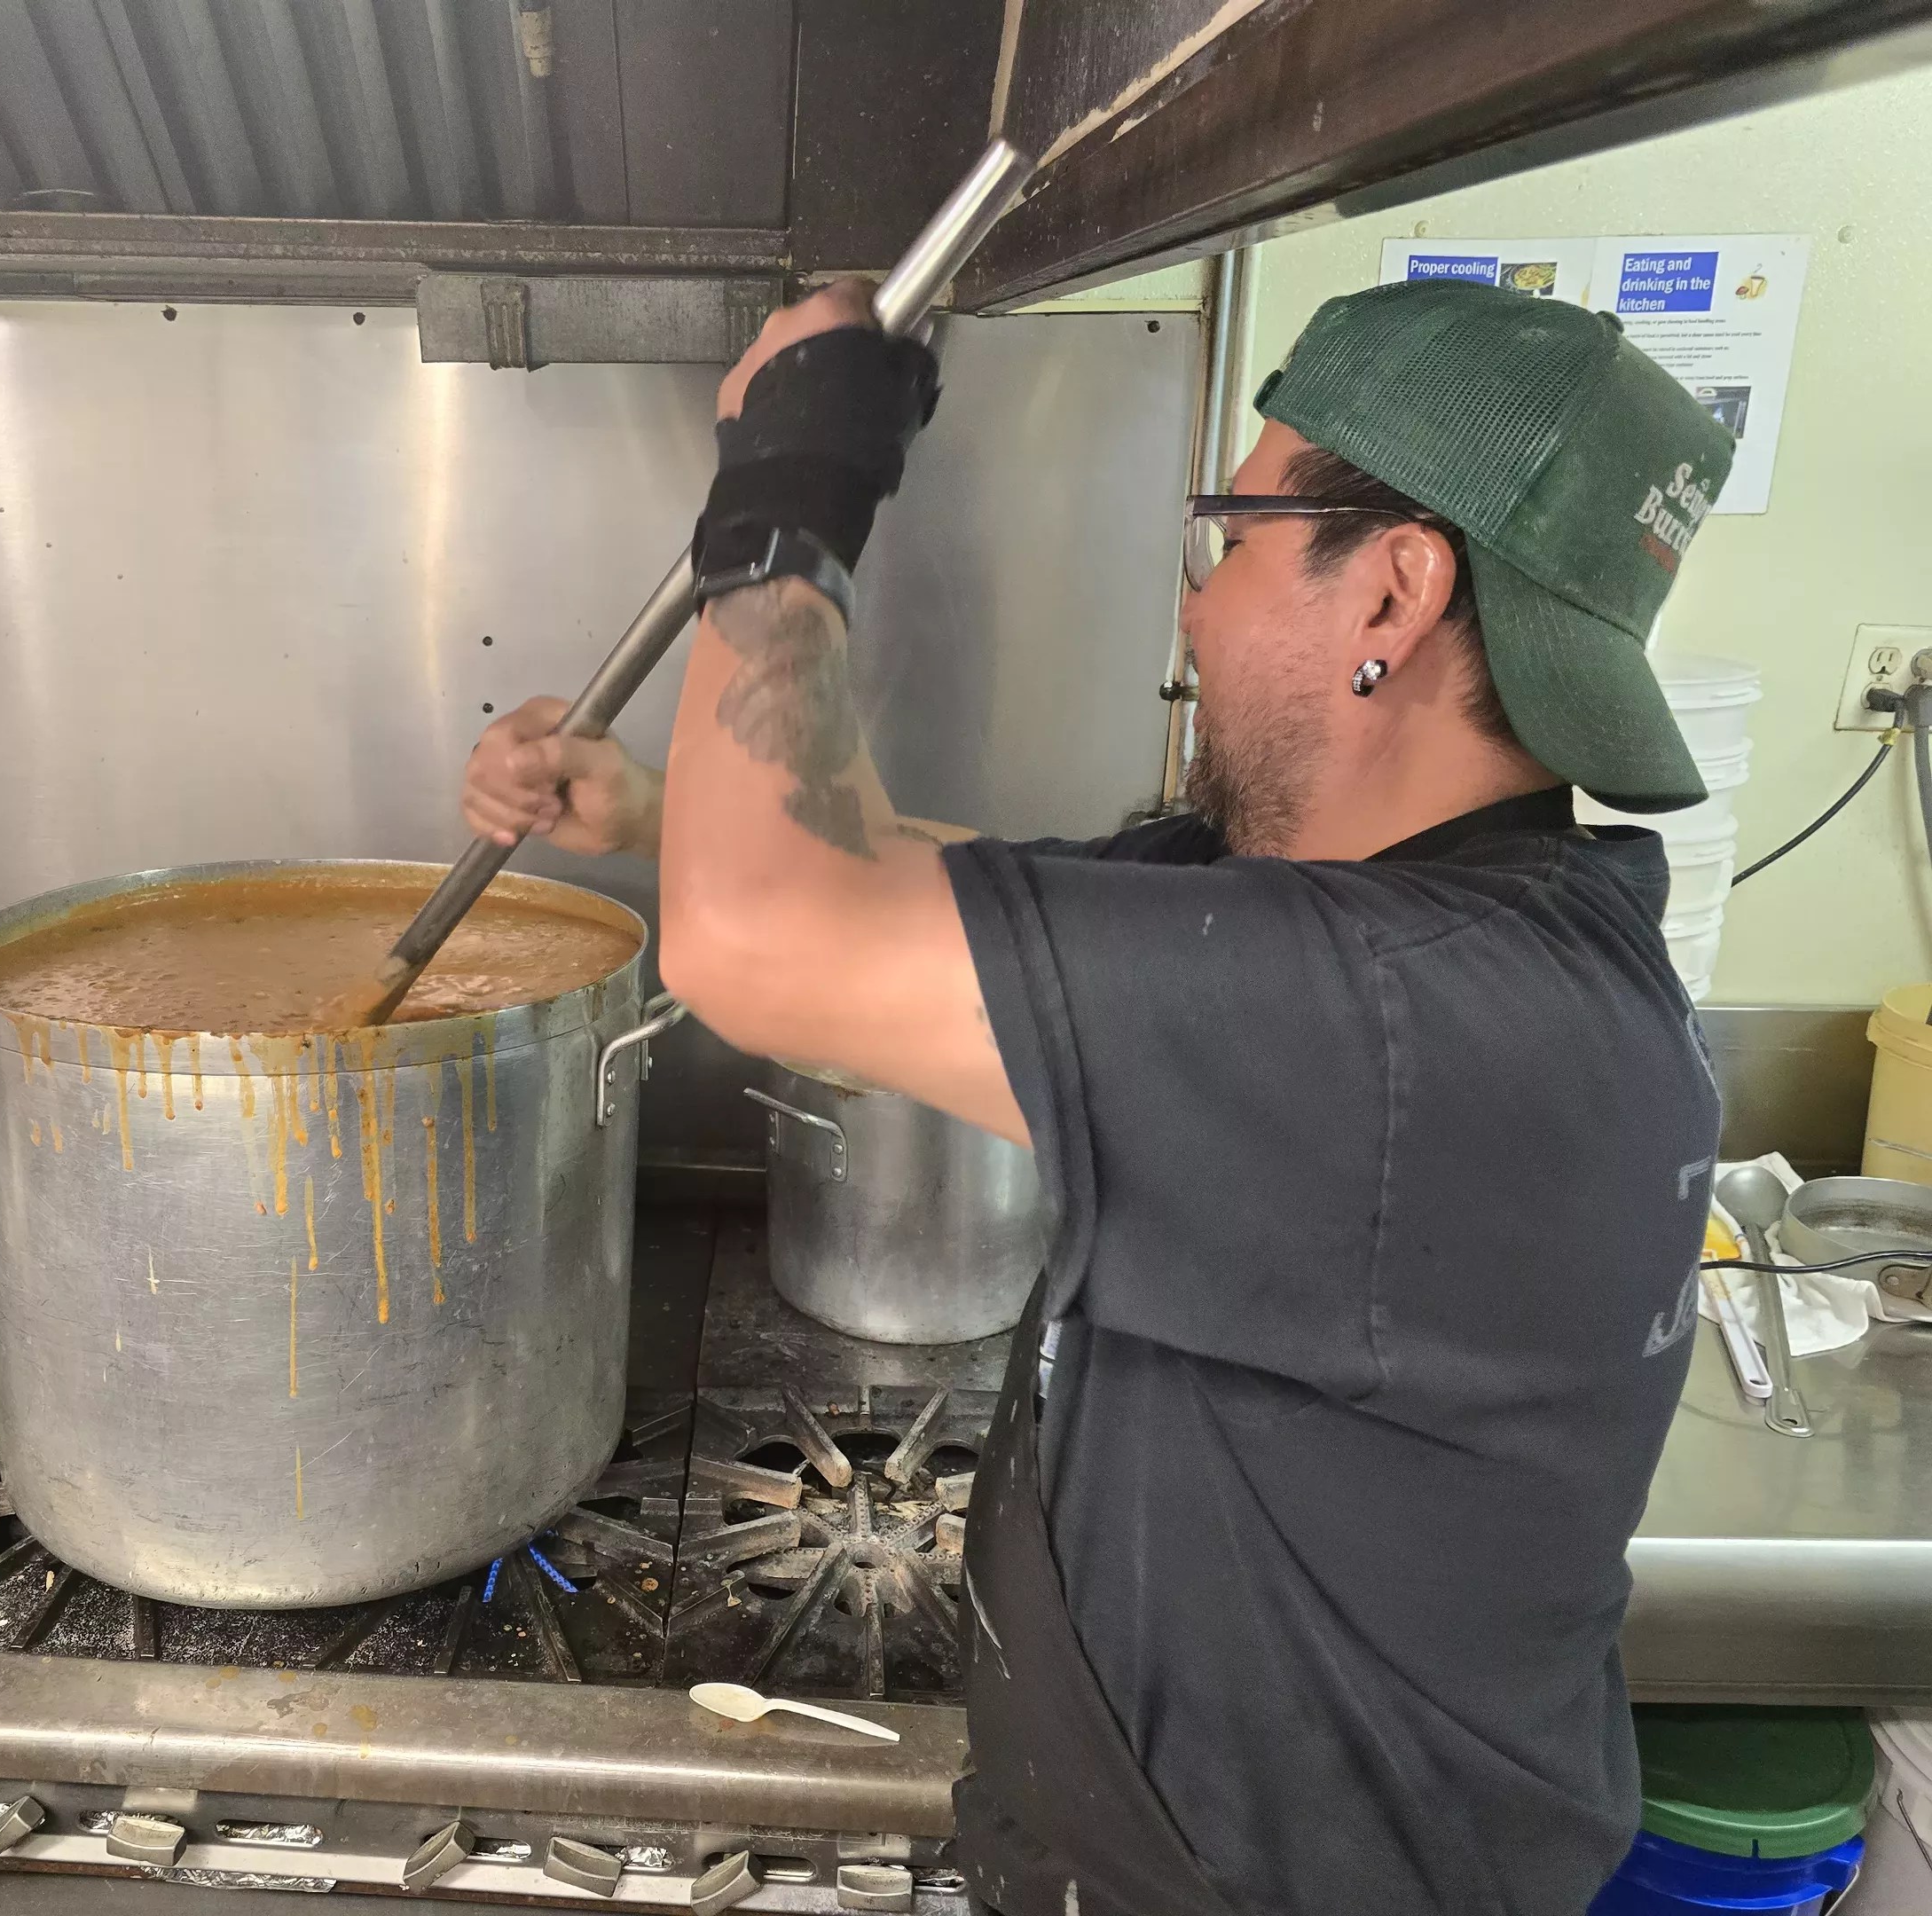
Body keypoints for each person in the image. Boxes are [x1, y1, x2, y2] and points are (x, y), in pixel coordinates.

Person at [461, 278, 1732, 1914]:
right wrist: (662, 814)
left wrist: (788, 486)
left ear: (1394, 591)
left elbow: (768, 938)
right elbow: (951, 897)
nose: (1195, 612)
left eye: (1235, 541)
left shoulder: (1405, 1019)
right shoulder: (1417, 927)